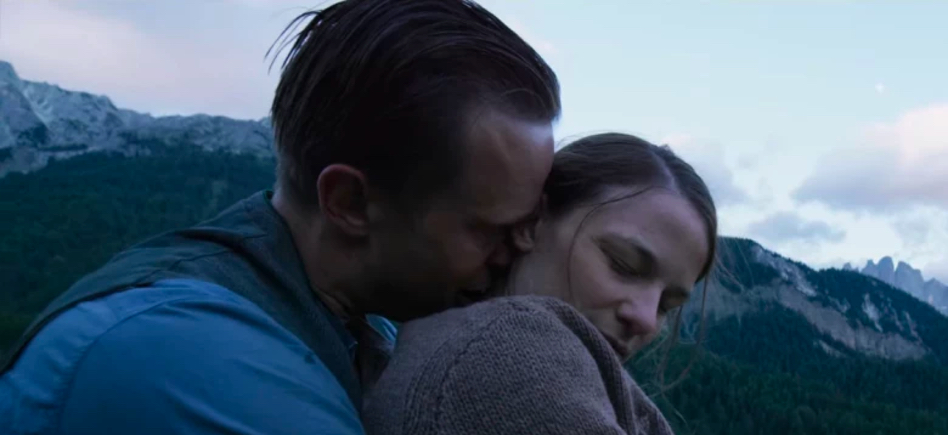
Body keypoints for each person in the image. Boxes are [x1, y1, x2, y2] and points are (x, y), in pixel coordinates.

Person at [0, 1, 560, 433]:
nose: (523, 249)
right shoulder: (196, 362)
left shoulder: (357, 320)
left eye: (532, 222)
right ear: (349, 203)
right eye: (492, 230)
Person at [363, 132, 718, 435]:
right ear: (533, 221)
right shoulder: (506, 350)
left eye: (666, 306)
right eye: (623, 265)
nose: (645, 319)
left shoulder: (442, 339)